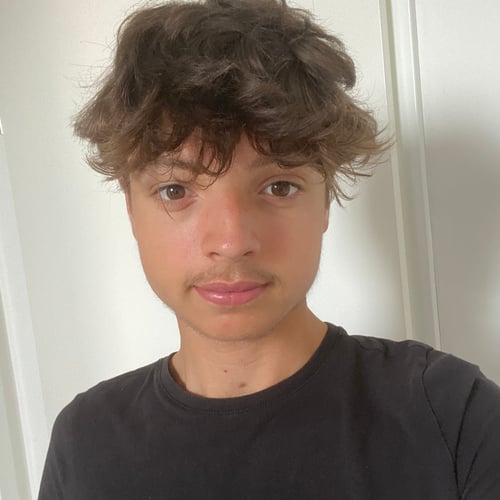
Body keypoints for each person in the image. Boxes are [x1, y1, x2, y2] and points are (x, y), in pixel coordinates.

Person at [38, 0, 500, 498]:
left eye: (279, 187)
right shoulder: (85, 443)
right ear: (131, 209)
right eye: (176, 190)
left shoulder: (452, 415)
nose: (232, 242)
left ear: (325, 201)